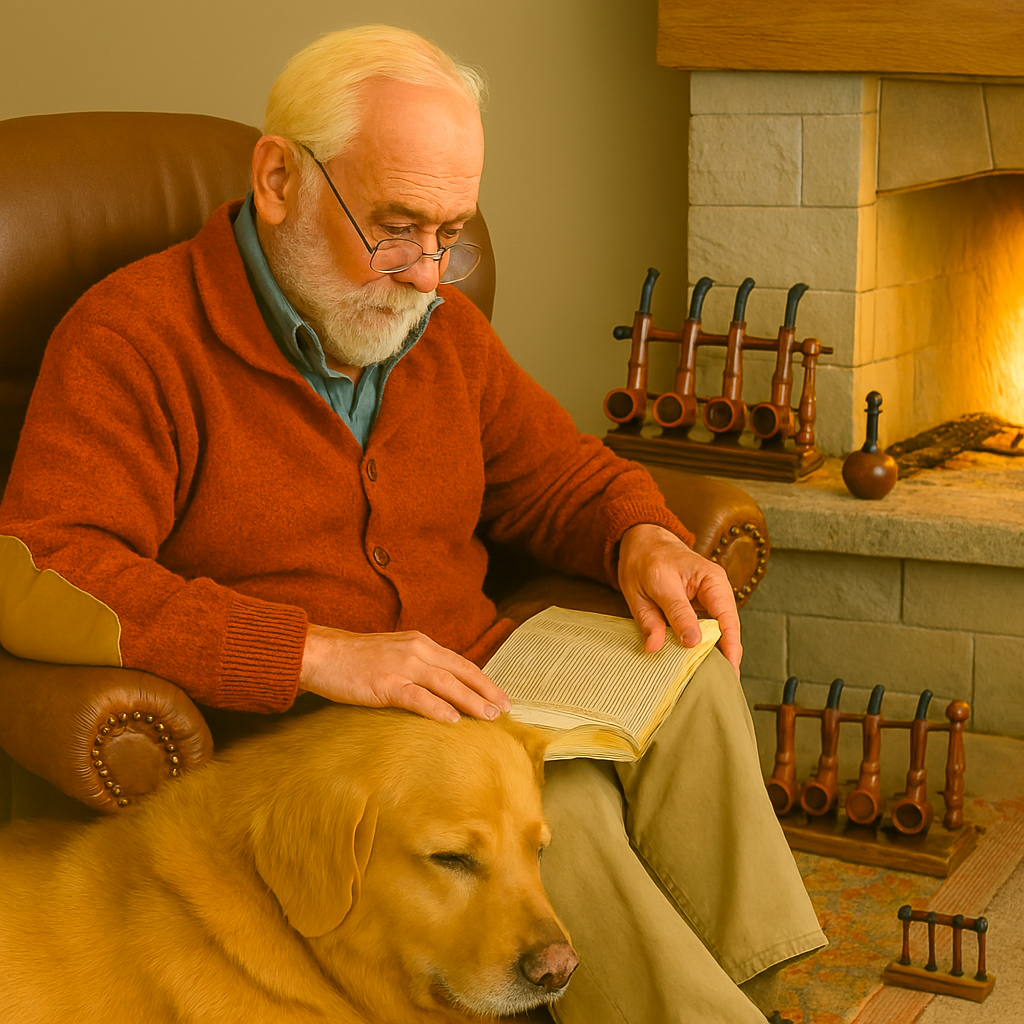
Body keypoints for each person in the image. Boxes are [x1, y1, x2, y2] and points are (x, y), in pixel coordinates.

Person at [0, 25, 825, 1023]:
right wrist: (313, 651)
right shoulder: (132, 339)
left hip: (464, 683)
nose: (430, 273)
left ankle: (763, 992)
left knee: (685, 674)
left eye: (451, 234)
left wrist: (638, 534)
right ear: (276, 180)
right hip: (302, 731)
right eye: (396, 227)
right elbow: (47, 564)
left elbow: (555, 474)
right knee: (561, 810)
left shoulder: (445, 335)